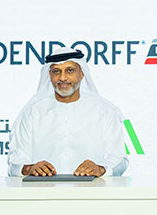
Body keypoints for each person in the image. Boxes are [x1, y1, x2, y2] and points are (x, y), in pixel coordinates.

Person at [7, 48, 129, 177]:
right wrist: (29, 168)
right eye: (56, 71)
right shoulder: (32, 113)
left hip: (93, 189)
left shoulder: (104, 112)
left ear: (81, 74)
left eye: (70, 70)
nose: (62, 78)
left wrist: (101, 169)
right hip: (42, 189)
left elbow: (120, 160)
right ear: (50, 75)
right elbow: (15, 161)